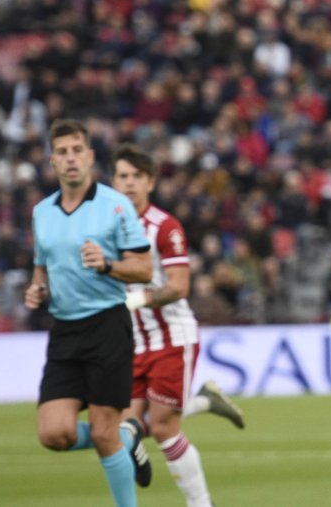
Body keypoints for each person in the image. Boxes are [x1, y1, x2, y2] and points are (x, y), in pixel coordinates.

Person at [23, 119, 155, 507]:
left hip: (107, 326)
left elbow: (144, 269)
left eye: (77, 150)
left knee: (101, 432)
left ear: (90, 156)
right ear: (52, 161)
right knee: (54, 434)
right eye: (62, 152)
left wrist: (107, 265)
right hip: (64, 330)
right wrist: (37, 290)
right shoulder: (42, 212)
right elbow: (41, 268)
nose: (70, 159)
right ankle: (127, 438)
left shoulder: (116, 206)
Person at [112, 144, 246, 507]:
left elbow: (180, 286)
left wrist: (135, 300)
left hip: (172, 338)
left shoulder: (164, 227)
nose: (129, 183)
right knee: (122, 429)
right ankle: (203, 401)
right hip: (133, 343)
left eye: (137, 176)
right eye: (122, 176)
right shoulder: (106, 227)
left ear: (151, 182)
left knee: (163, 427)